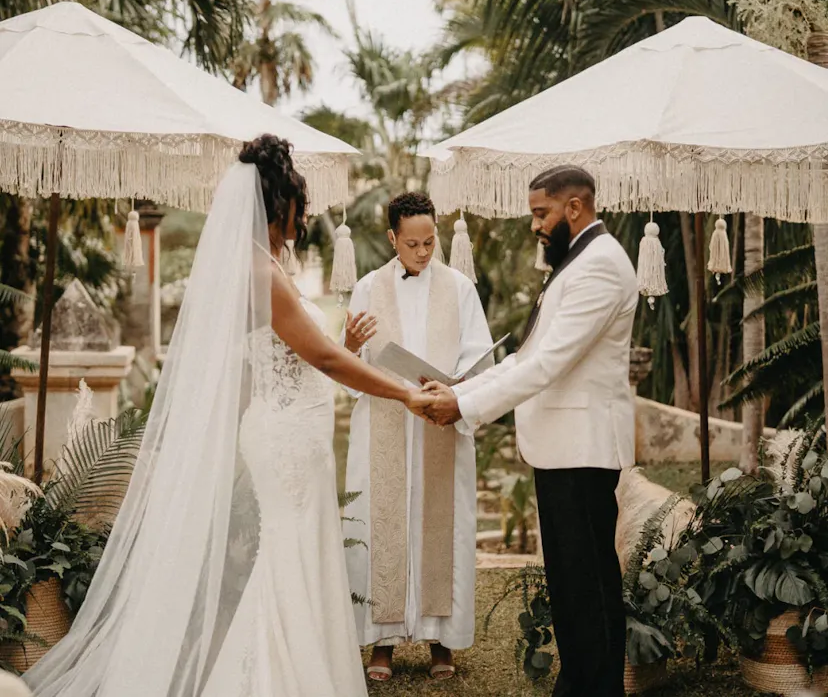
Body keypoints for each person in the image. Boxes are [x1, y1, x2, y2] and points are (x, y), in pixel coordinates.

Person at [24, 136, 432, 697]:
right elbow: (323, 358)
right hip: (286, 442)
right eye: (299, 202)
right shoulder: (261, 274)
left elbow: (286, 355)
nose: (306, 214)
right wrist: (406, 394)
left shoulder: (265, 264)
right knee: (288, 558)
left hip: (291, 435)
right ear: (277, 205)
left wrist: (342, 349)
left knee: (299, 555)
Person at [421, 166, 638, 697]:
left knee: (586, 586)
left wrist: (463, 406)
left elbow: (548, 366)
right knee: (572, 583)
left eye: (541, 214)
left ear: (575, 208)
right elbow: (527, 356)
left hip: (582, 451)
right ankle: (583, 682)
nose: (535, 226)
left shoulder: (601, 266)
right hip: (564, 450)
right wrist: (462, 387)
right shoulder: (578, 262)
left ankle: (593, 686)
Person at [341, 192, 492, 682]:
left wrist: (453, 388)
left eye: (430, 242)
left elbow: (480, 361)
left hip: (440, 421)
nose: (424, 252)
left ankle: (441, 641)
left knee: (441, 525)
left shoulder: (460, 288)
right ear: (392, 239)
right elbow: (349, 365)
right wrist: (348, 344)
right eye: (413, 243)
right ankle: (380, 644)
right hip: (384, 421)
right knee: (379, 523)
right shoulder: (366, 288)